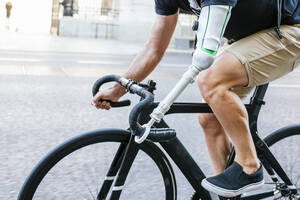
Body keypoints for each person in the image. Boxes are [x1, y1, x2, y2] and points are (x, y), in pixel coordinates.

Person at [92, 0, 300, 197]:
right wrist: (118, 89)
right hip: (249, 38)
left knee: (210, 81)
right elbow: (153, 49)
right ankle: (226, 197)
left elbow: (205, 57)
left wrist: (163, 107)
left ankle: (249, 166)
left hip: (289, 29)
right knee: (209, 118)